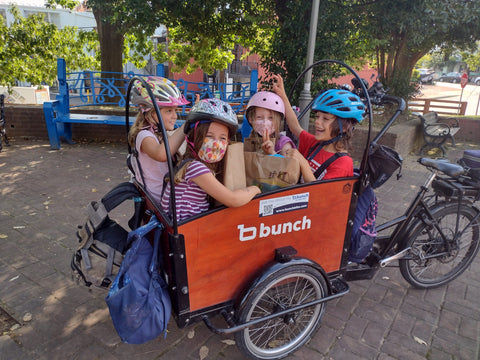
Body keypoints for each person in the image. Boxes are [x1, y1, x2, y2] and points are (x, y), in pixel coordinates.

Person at [160, 98, 261, 221]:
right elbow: (233, 200)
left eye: (222, 138)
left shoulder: (189, 163)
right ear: (193, 137)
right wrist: (255, 189)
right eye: (209, 136)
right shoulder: (196, 168)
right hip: (186, 232)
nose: (216, 143)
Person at [272, 74, 365, 182]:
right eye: (317, 117)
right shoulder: (315, 143)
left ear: (344, 127)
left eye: (325, 119)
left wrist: (303, 163)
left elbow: (320, 194)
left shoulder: (342, 163)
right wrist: (282, 95)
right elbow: (295, 127)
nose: (317, 122)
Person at [128, 77, 189, 204]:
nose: (175, 116)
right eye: (169, 111)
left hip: (167, 196)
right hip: (157, 203)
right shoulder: (143, 135)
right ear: (151, 113)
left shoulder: (159, 133)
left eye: (175, 110)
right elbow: (161, 154)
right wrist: (186, 125)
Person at [245, 91, 295, 156]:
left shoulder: (283, 143)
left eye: (271, 118)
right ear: (250, 119)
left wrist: (272, 153)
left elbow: (288, 165)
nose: (265, 123)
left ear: (278, 121)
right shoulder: (250, 142)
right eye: (259, 117)